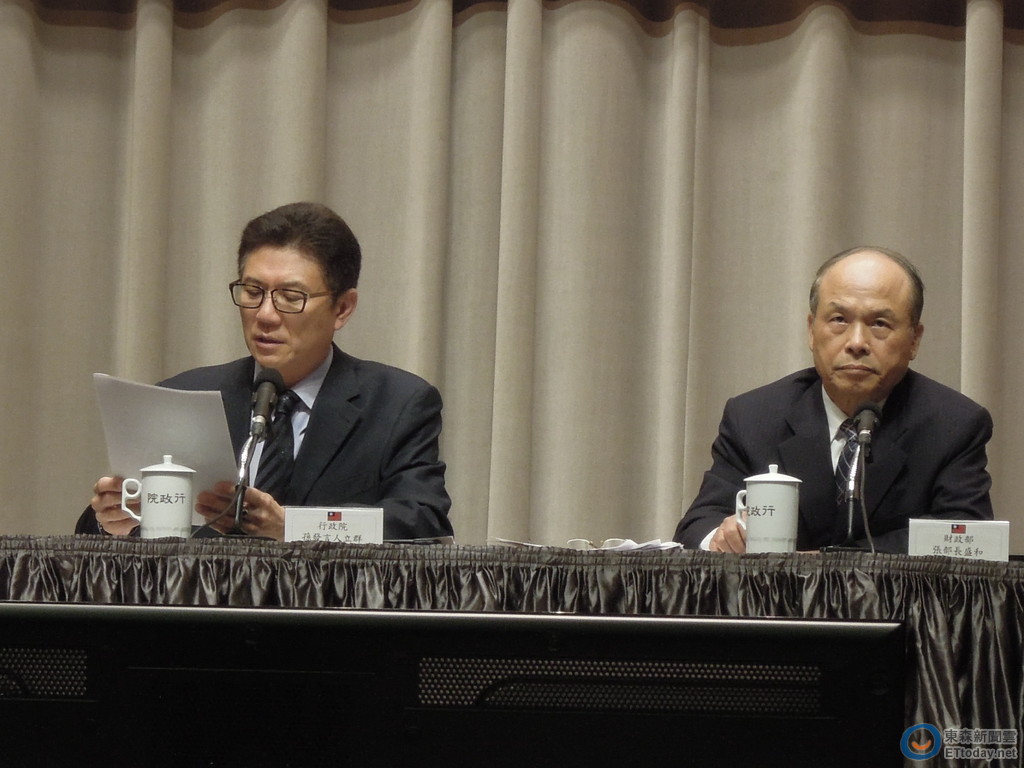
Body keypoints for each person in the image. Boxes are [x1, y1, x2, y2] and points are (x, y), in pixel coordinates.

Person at [77, 202, 453, 541]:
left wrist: (292, 526)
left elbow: (422, 521)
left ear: (342, 308)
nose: (265, 315)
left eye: (290, 297)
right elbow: (96, 533)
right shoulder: (183, 396)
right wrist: (110, 521)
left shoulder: (397, 404)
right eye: (253, 291)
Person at [674, 246, 993, 553]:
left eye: (879, 324)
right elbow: (698, 526)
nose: (857, 342)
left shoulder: (953, 425)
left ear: (914, 339)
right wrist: (721, 538)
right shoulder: (754, 417)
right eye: (839, 319)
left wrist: (827, 563)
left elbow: (967, 537)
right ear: (812, 330)